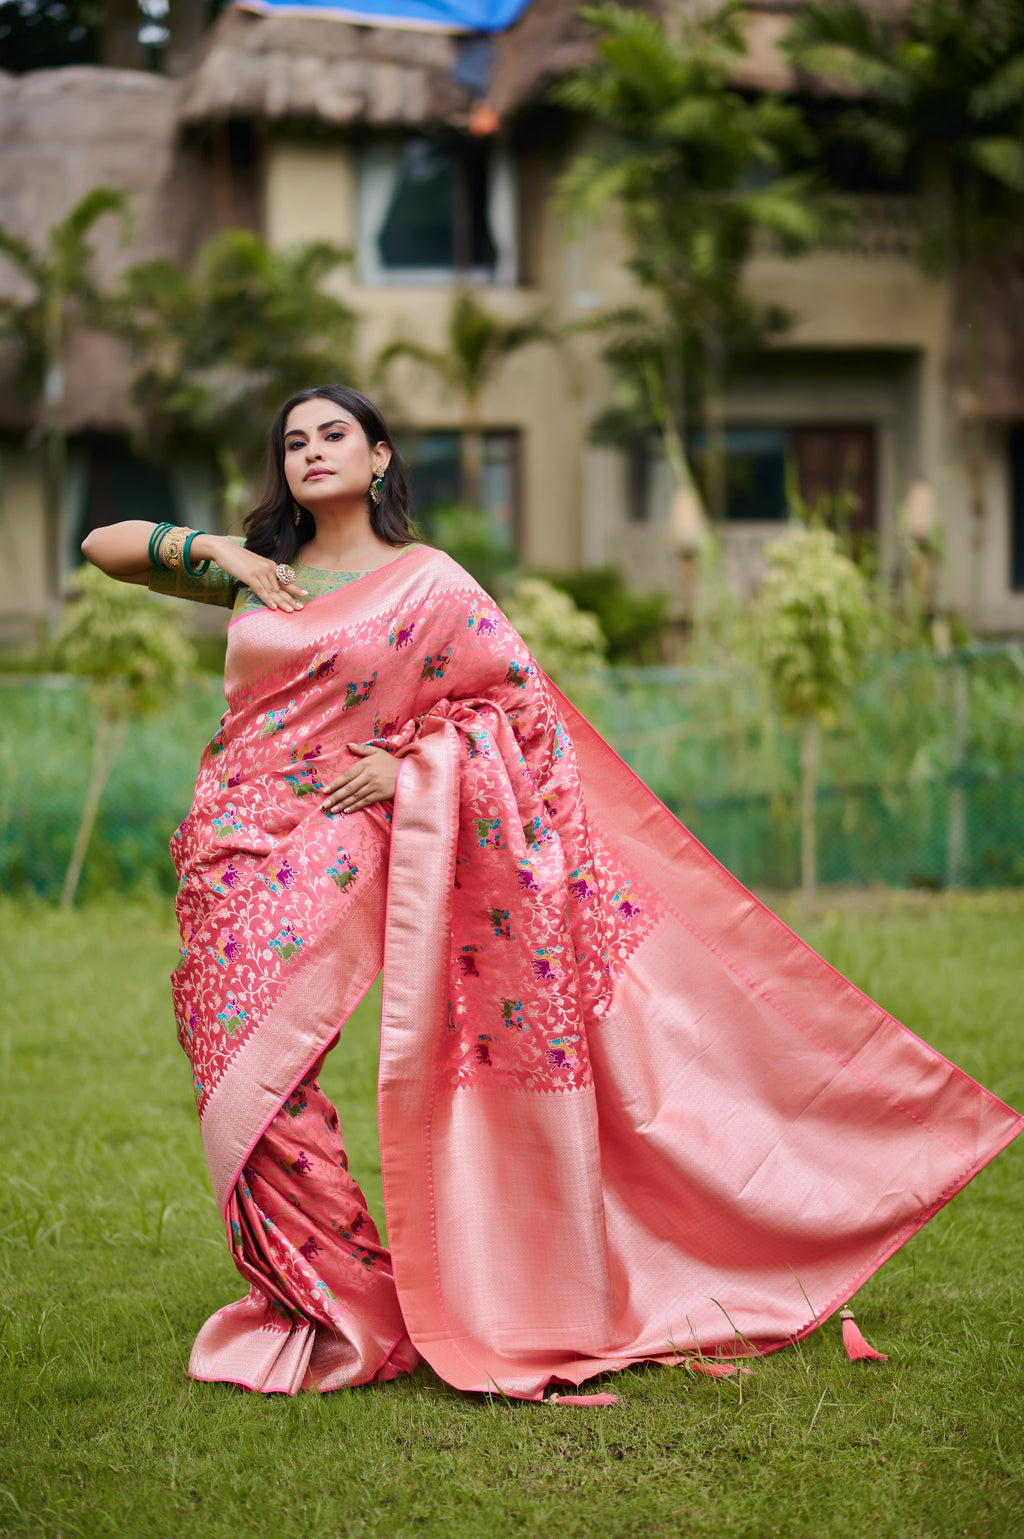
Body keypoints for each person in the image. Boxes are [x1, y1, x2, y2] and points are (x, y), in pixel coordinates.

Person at [82, 384, 1022, 1402]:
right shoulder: (264, 578)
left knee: (261, 1067)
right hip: (231, 836)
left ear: (381, 459)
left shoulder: (428, 584)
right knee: (230, 1068)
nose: (312, 451)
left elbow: (517, 713)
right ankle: (337, 1295)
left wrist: (417, 769)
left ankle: (355, 1308)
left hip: (346, 836)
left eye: (335, 435)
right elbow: (102, 544)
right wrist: (216, 551)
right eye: (295, 440)